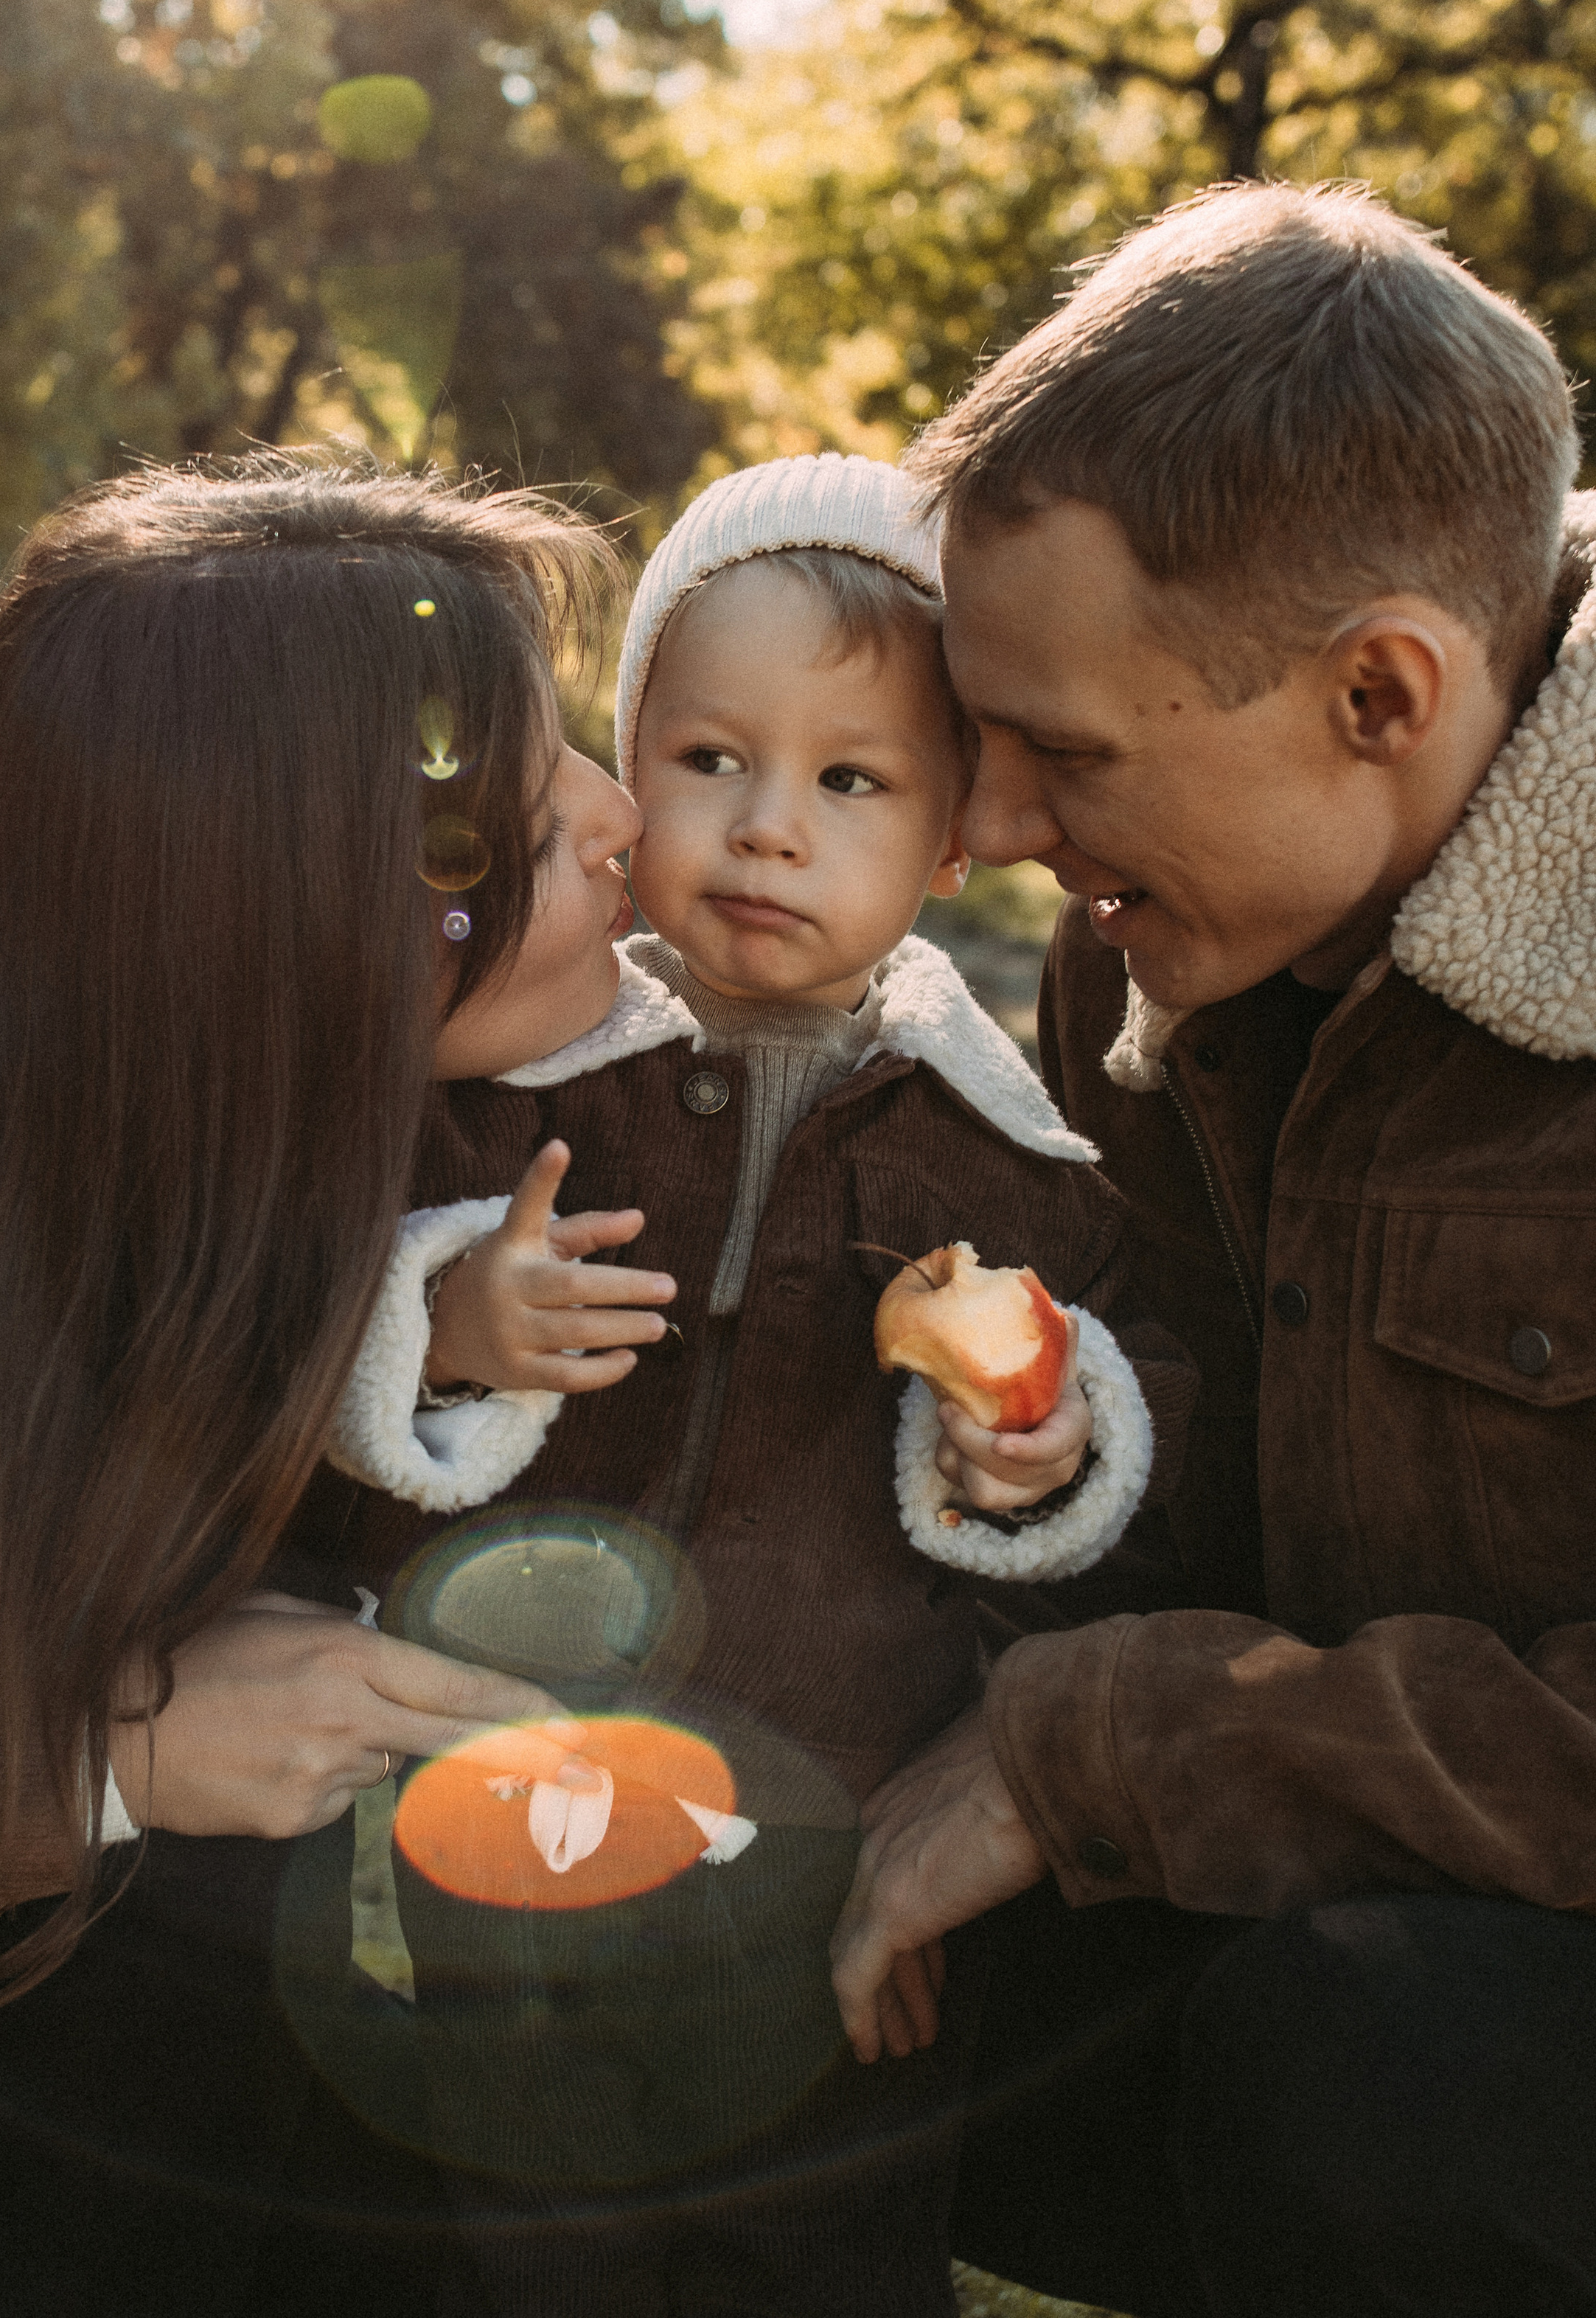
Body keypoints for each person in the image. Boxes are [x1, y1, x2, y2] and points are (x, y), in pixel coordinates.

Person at [0, 456, 630, 2317]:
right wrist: (98, 1769)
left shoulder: (269, 1178)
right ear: (294, 898)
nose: (620, 816)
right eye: (530, 803)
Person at [829, 183, 1596, 2318]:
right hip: (1374, 1848)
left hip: (1450, 1974)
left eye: (1066, 753)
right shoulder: (1150, 960)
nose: (983, 832)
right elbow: (1209, 1462)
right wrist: (1064, 1450)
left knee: (1375, 2073)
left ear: (1380, 691)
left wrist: (1131, 1747)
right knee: (850, 1942)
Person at [329, 456, 1196, 2317]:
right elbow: (312, 1319)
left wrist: (1042, 1447)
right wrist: (444, 1321)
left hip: (824, 1863)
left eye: (849, 779)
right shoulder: (516, 1081)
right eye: (709, 759)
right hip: (518, 1840)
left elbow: (1128, 1397)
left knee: (815, 2243)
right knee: (509, 2235)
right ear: (621, 769)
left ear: (954, 834)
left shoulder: (1002, 1155)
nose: (766, 828)